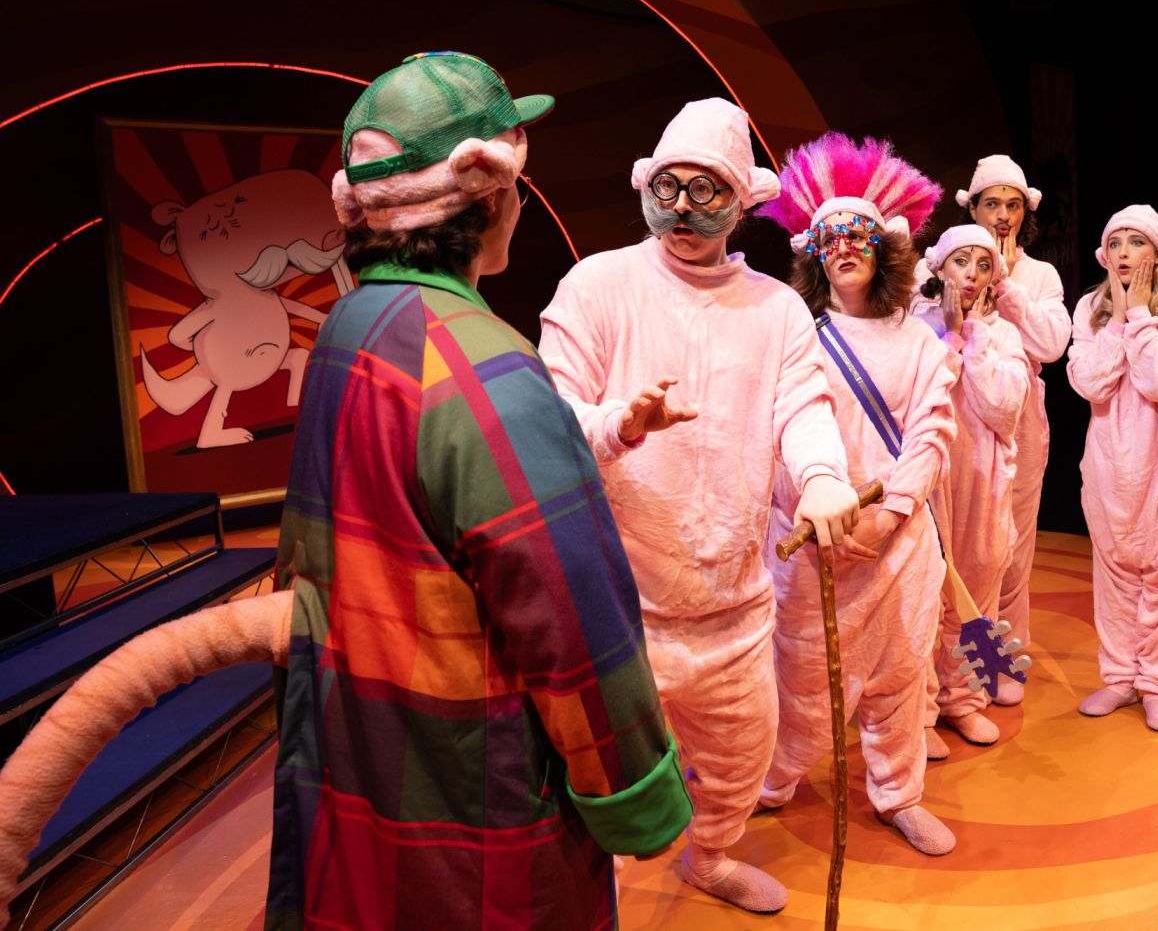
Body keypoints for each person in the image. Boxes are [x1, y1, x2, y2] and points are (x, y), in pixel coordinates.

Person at [267, 52, 690, 931]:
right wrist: (638, 794)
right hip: (478, 806)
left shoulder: (347, 327)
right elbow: (572, 623)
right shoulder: (481, 368)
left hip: (364, 756)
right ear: (490, 197)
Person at [538, 98, 860, 914]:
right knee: (600, 766)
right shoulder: (599, 284)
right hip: (619, 603)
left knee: (741, 755)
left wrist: (822, 474)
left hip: (732, 602)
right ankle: (595, 886)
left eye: (705, 189)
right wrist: (619, 424)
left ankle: (709, 855)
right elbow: (548, 409)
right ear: (646, 187)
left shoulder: (777, 307)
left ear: (742, 202)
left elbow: (803, 403)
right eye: (669, 187)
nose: (682, 207)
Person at [753, 133, 957, 854]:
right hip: (817, 543)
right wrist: (823, 514)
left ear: (885, 247)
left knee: (900, 675)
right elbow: (782, 430)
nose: (843, 247)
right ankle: (769, 780)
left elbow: (932, 434)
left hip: (900, 543)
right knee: (804, 681)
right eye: (829, 237)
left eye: (857, 234)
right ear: (813, 251)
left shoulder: (922, 342)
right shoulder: (796, 337)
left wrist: (894, 515)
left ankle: (899, 794)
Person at [1066, 205, 1158, 733]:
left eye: (1136, 242)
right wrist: (1116, 320)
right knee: (1115, 571)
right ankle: (1121, 677)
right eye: (1116, 242)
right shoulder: (1089, 307)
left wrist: (1141, 317)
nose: (1124, 253)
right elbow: (1090, 383)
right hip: (1111, 459)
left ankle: (1155, 682)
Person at [911, 224, 1030, 756]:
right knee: (925, 598)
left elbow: (1004, 407)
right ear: (940, 267)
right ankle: (919, 715)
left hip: (983, 483)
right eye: (962, 261)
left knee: (978, 594)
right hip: (932, 480)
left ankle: (964, 702)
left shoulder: (1004, 335)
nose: (972, 275)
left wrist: (974, 336)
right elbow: (918, 399)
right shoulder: (915, 328)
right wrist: (952, 338)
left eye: (983, 265)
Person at [958, 155, 1070, 706]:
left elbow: (1050, 344)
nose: (1003, 214)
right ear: (973, 208)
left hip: (1020, 415)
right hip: (961, 414)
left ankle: (1001, 665)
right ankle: (959, 675)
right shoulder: (952, 261)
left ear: (1026, 212)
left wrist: (1006, 287)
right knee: (964, 549)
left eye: (1013, 205)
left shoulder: (1040, 275)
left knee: (1012, 549)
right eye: (992, 204)